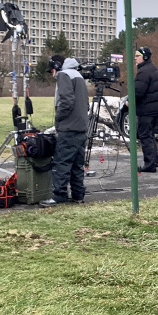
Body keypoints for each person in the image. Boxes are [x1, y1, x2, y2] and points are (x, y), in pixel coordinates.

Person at [40, 55, 89, 206]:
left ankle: (59, 195)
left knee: (61, 162)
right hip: (81, 127)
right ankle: (78, 194)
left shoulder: (64, 75)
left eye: (53, 70)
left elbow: (66, 101)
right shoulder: (78, 75)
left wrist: (59, 119)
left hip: (69, 127)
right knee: (76, 164)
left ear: (57, 67)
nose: (53, 74)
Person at [133, 46, 158, 173]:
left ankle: (150, 163)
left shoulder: (144, 71)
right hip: (154, 108)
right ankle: (153, 160)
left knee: (145, 135)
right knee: (149, 135)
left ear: (144, 57)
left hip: (147, 109)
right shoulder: (152, 68)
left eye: (137, 56)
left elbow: (138, 91)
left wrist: (130, 101)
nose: (135, 58)